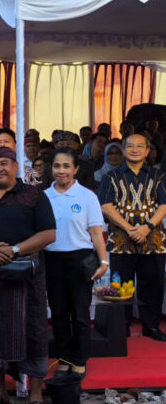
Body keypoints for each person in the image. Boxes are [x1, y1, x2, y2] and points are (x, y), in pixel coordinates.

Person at [0, 146, 56, 404]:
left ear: (15, 166)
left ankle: (36, 395)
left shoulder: (34, 195)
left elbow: (49, 234)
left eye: (4, 163)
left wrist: (14, 250)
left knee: (33, 332)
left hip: (28, 278)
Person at [44, 148, 108, 380]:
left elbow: (96, 232)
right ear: (51, 168)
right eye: (57, 166)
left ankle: (80, 360)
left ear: (76, 169)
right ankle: (64, 359)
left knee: (80, 313)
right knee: (58, 313)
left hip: (80, 259)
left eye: (66, 166)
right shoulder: (44, 196)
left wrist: (103, 261)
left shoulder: (87, 196)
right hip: (51, 259)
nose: (61, 171)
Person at [97, 134, 166, 341]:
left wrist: (147, 227)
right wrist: (130, 229)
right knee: (120, 284)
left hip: (153, 239)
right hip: (121, 238)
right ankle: (122, 326)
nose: (135, 150)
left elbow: (164, 205)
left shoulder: (158, 176)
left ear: (147, 151)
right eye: (130, 146)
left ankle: (151, 326)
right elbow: (105, 206)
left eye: (140, 146)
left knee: (153, 284)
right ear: (124, 150)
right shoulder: (111, 176)